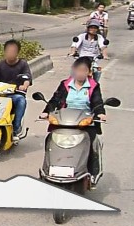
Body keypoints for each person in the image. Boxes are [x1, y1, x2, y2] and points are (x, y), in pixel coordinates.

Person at [43, 56, 107, 188]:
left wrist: (100, 113)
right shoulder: (65, 84)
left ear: (89, 72)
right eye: (78, 70)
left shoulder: (93, 86)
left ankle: (92, 173)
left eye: (84, 70)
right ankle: (48, 168)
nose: (80, 73)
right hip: (64, 122)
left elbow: (97, 102)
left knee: (92, 144)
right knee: (49, 140)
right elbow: (55, 100)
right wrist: (46, 111)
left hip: (85, 123)